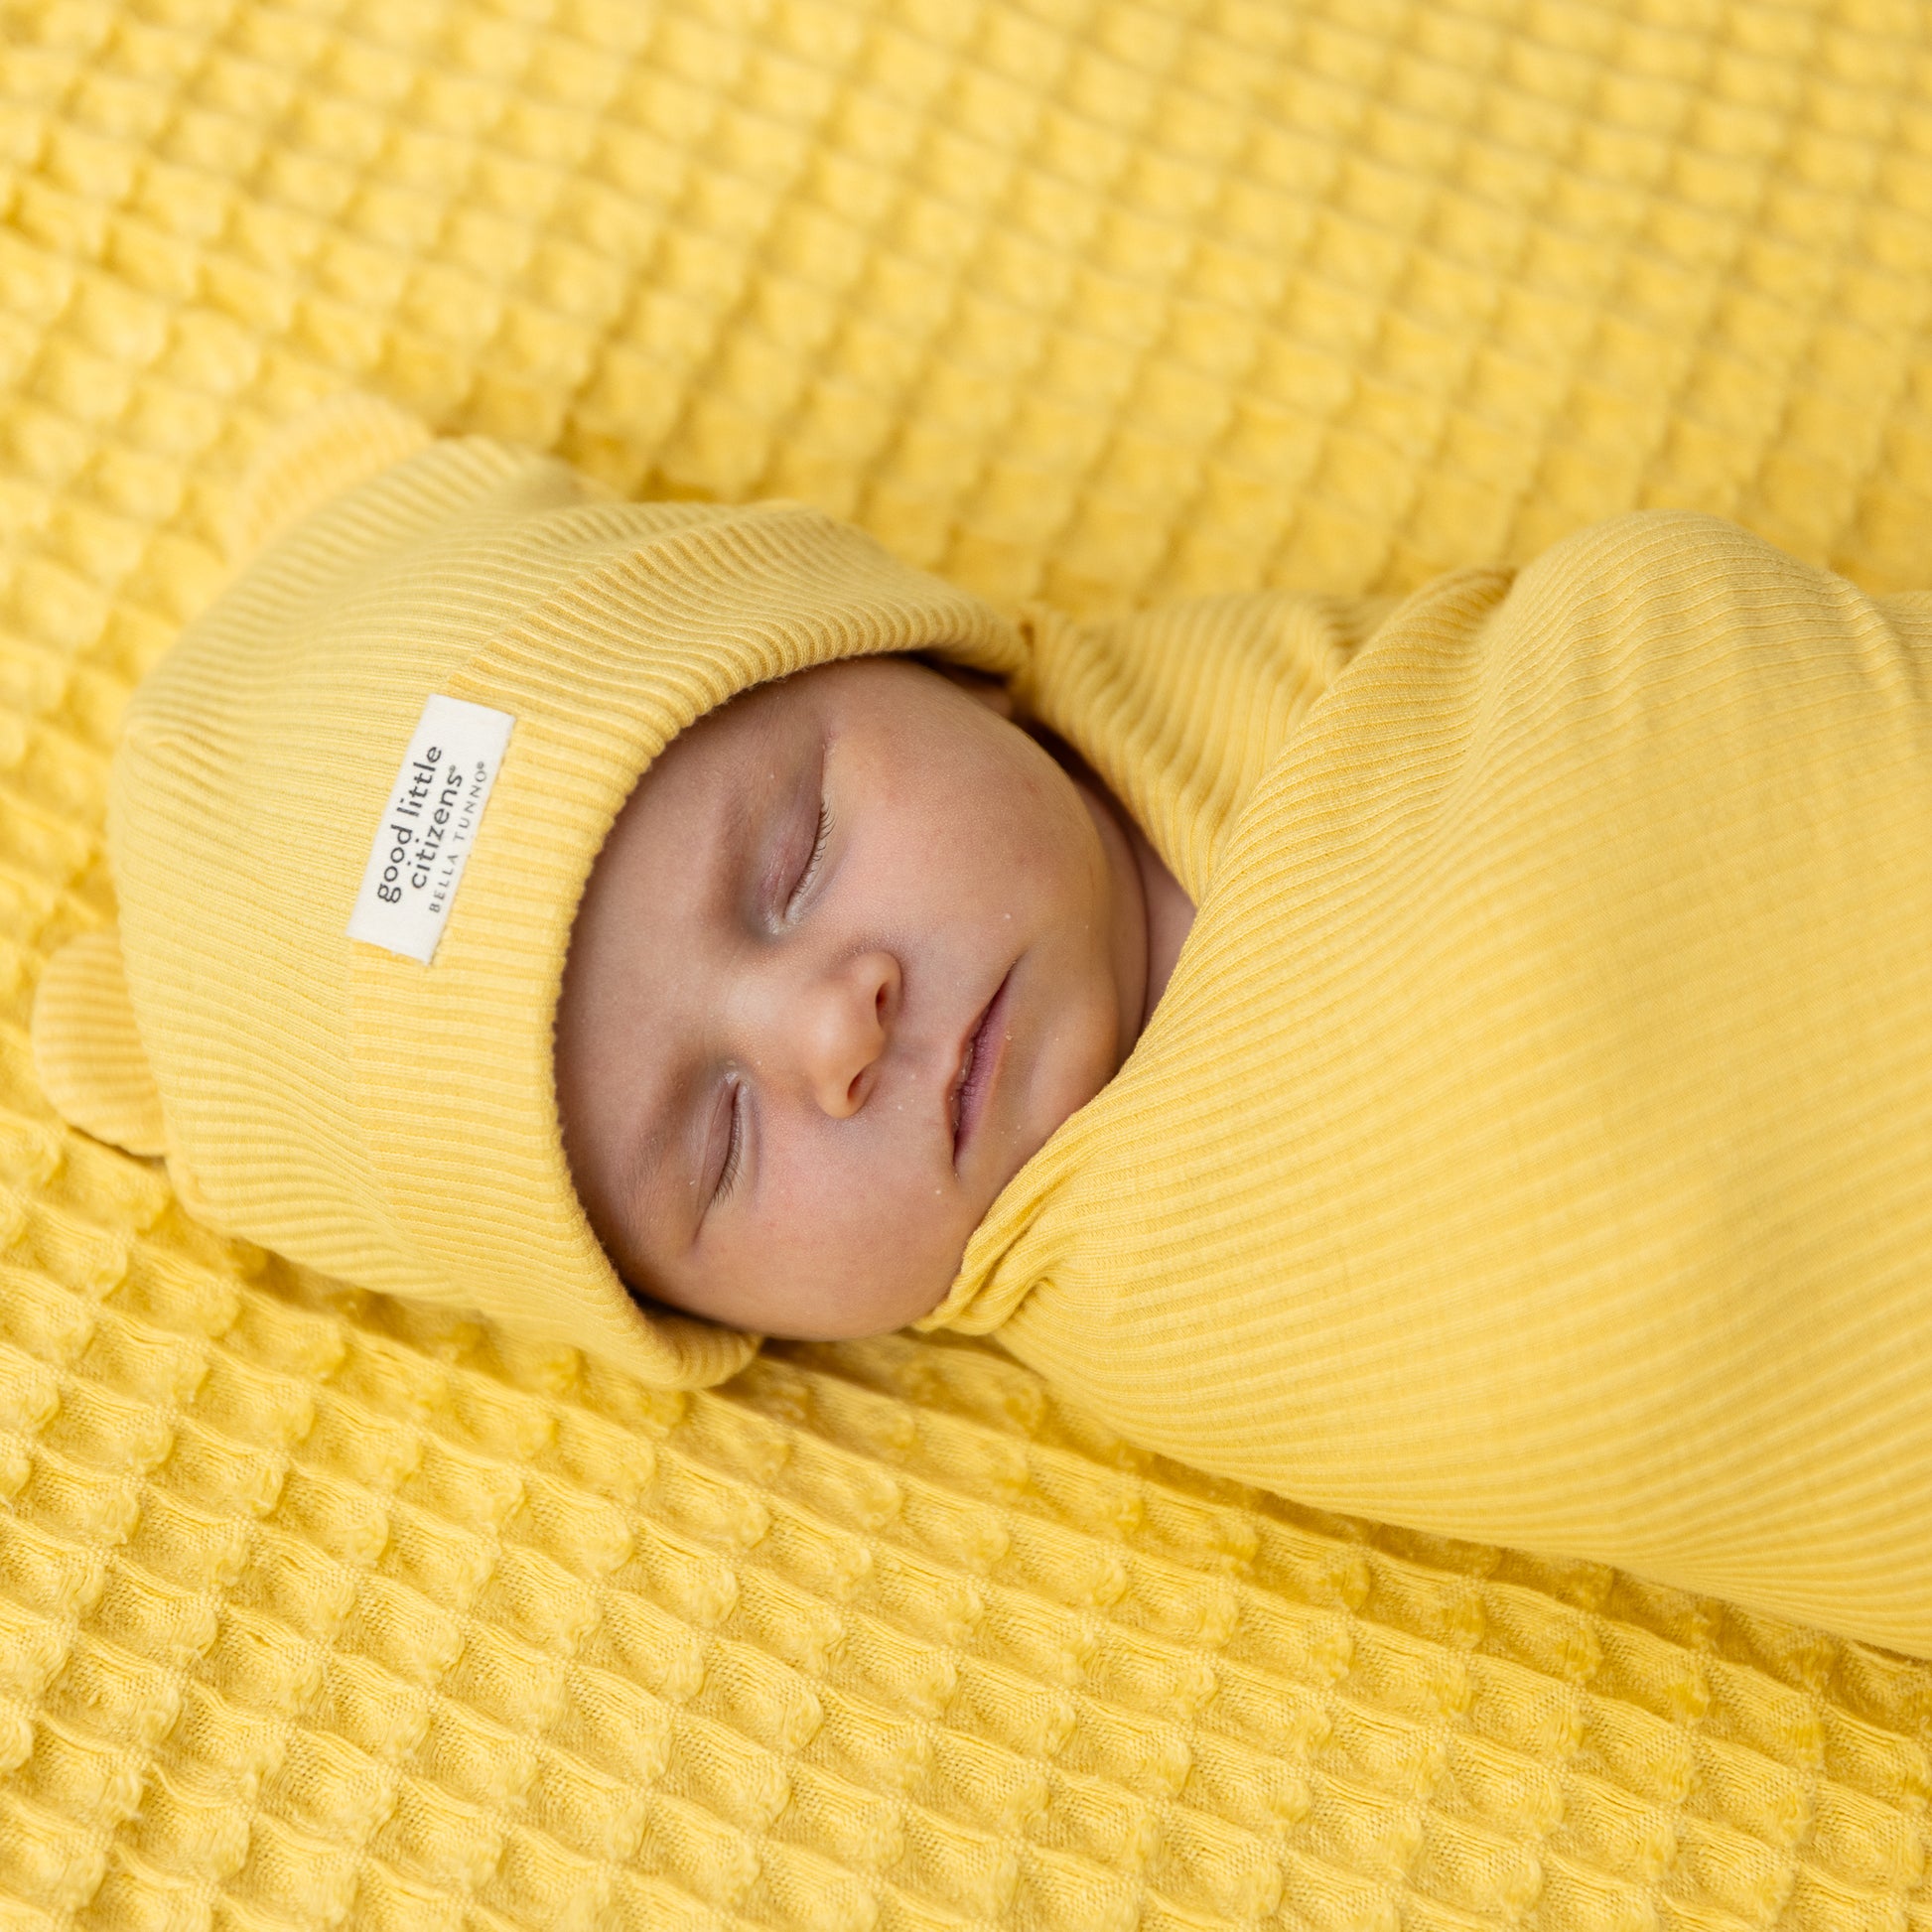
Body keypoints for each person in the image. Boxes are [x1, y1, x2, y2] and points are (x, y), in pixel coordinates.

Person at [31, 394, 1932, 1652]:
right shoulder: (1176, 1294)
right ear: (719, 1319)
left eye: (790, 859)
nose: (828, 1029)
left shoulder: (1323, 708)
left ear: (899, 647)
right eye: (719, 1140)